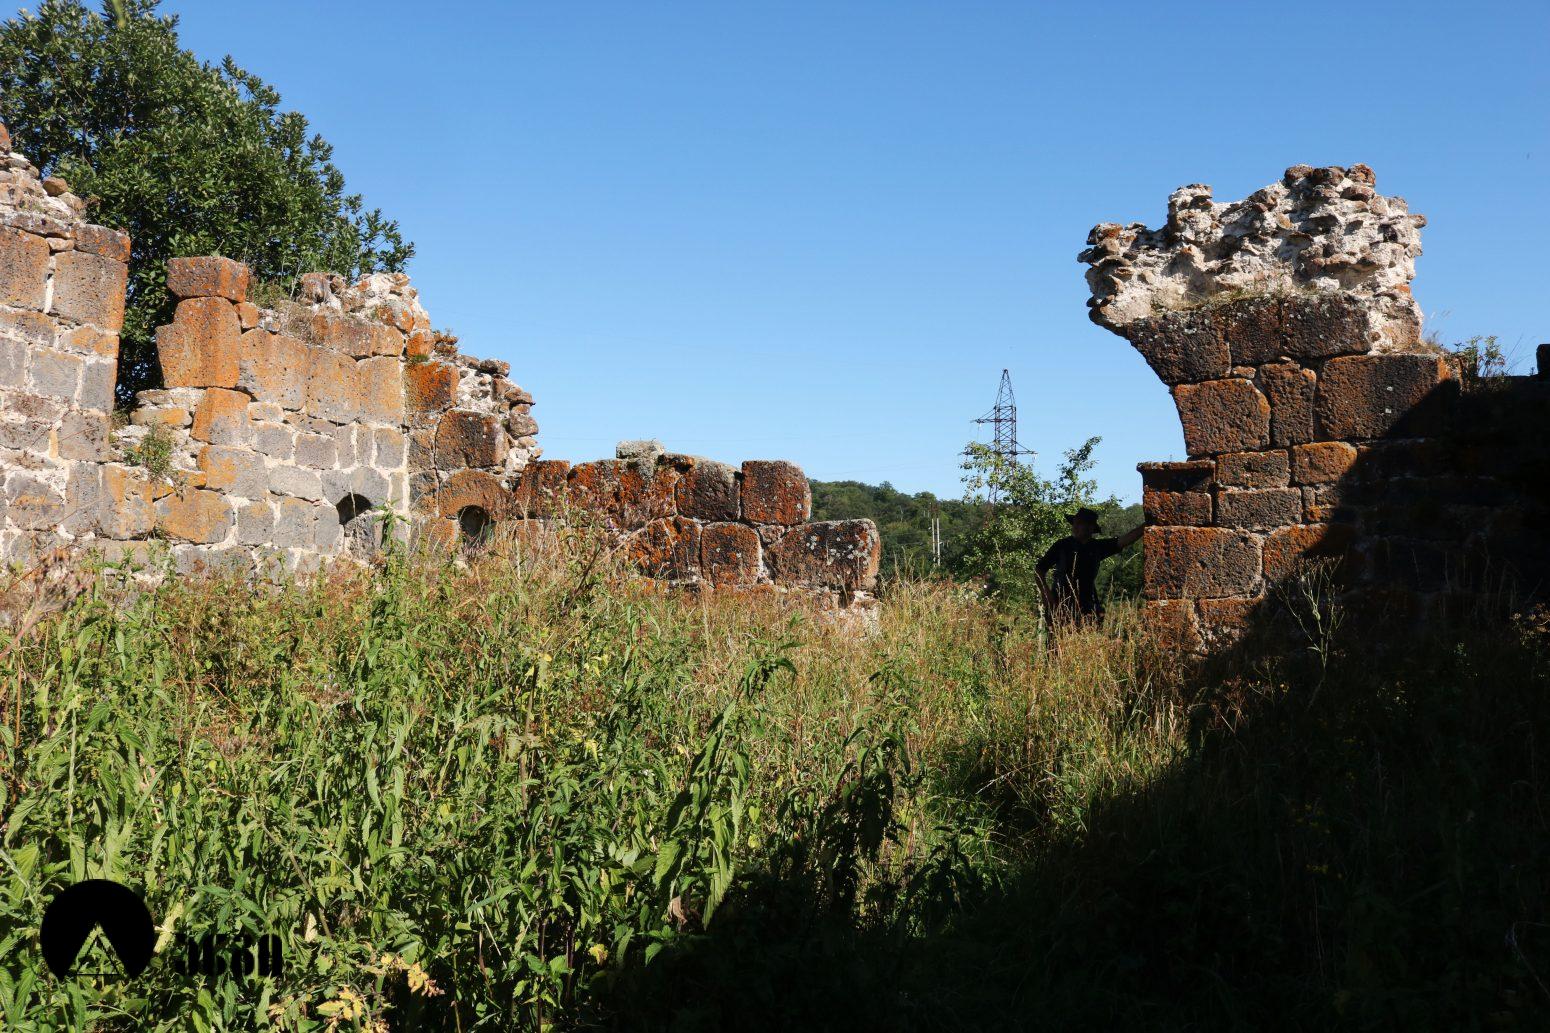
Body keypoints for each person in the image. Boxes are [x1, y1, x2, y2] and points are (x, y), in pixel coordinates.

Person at [1035, 507, 1143, 623]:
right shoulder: (1061, 545)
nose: (1075, 527)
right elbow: (1039, 570)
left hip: (1088, 607)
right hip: (1060, 605)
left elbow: (1125, 540)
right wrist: (1045, 592)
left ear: (1090, 528)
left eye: (1079, 523)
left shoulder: (1097, 547)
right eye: (1075, 523)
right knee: (1059, 639)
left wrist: (1147, 525)